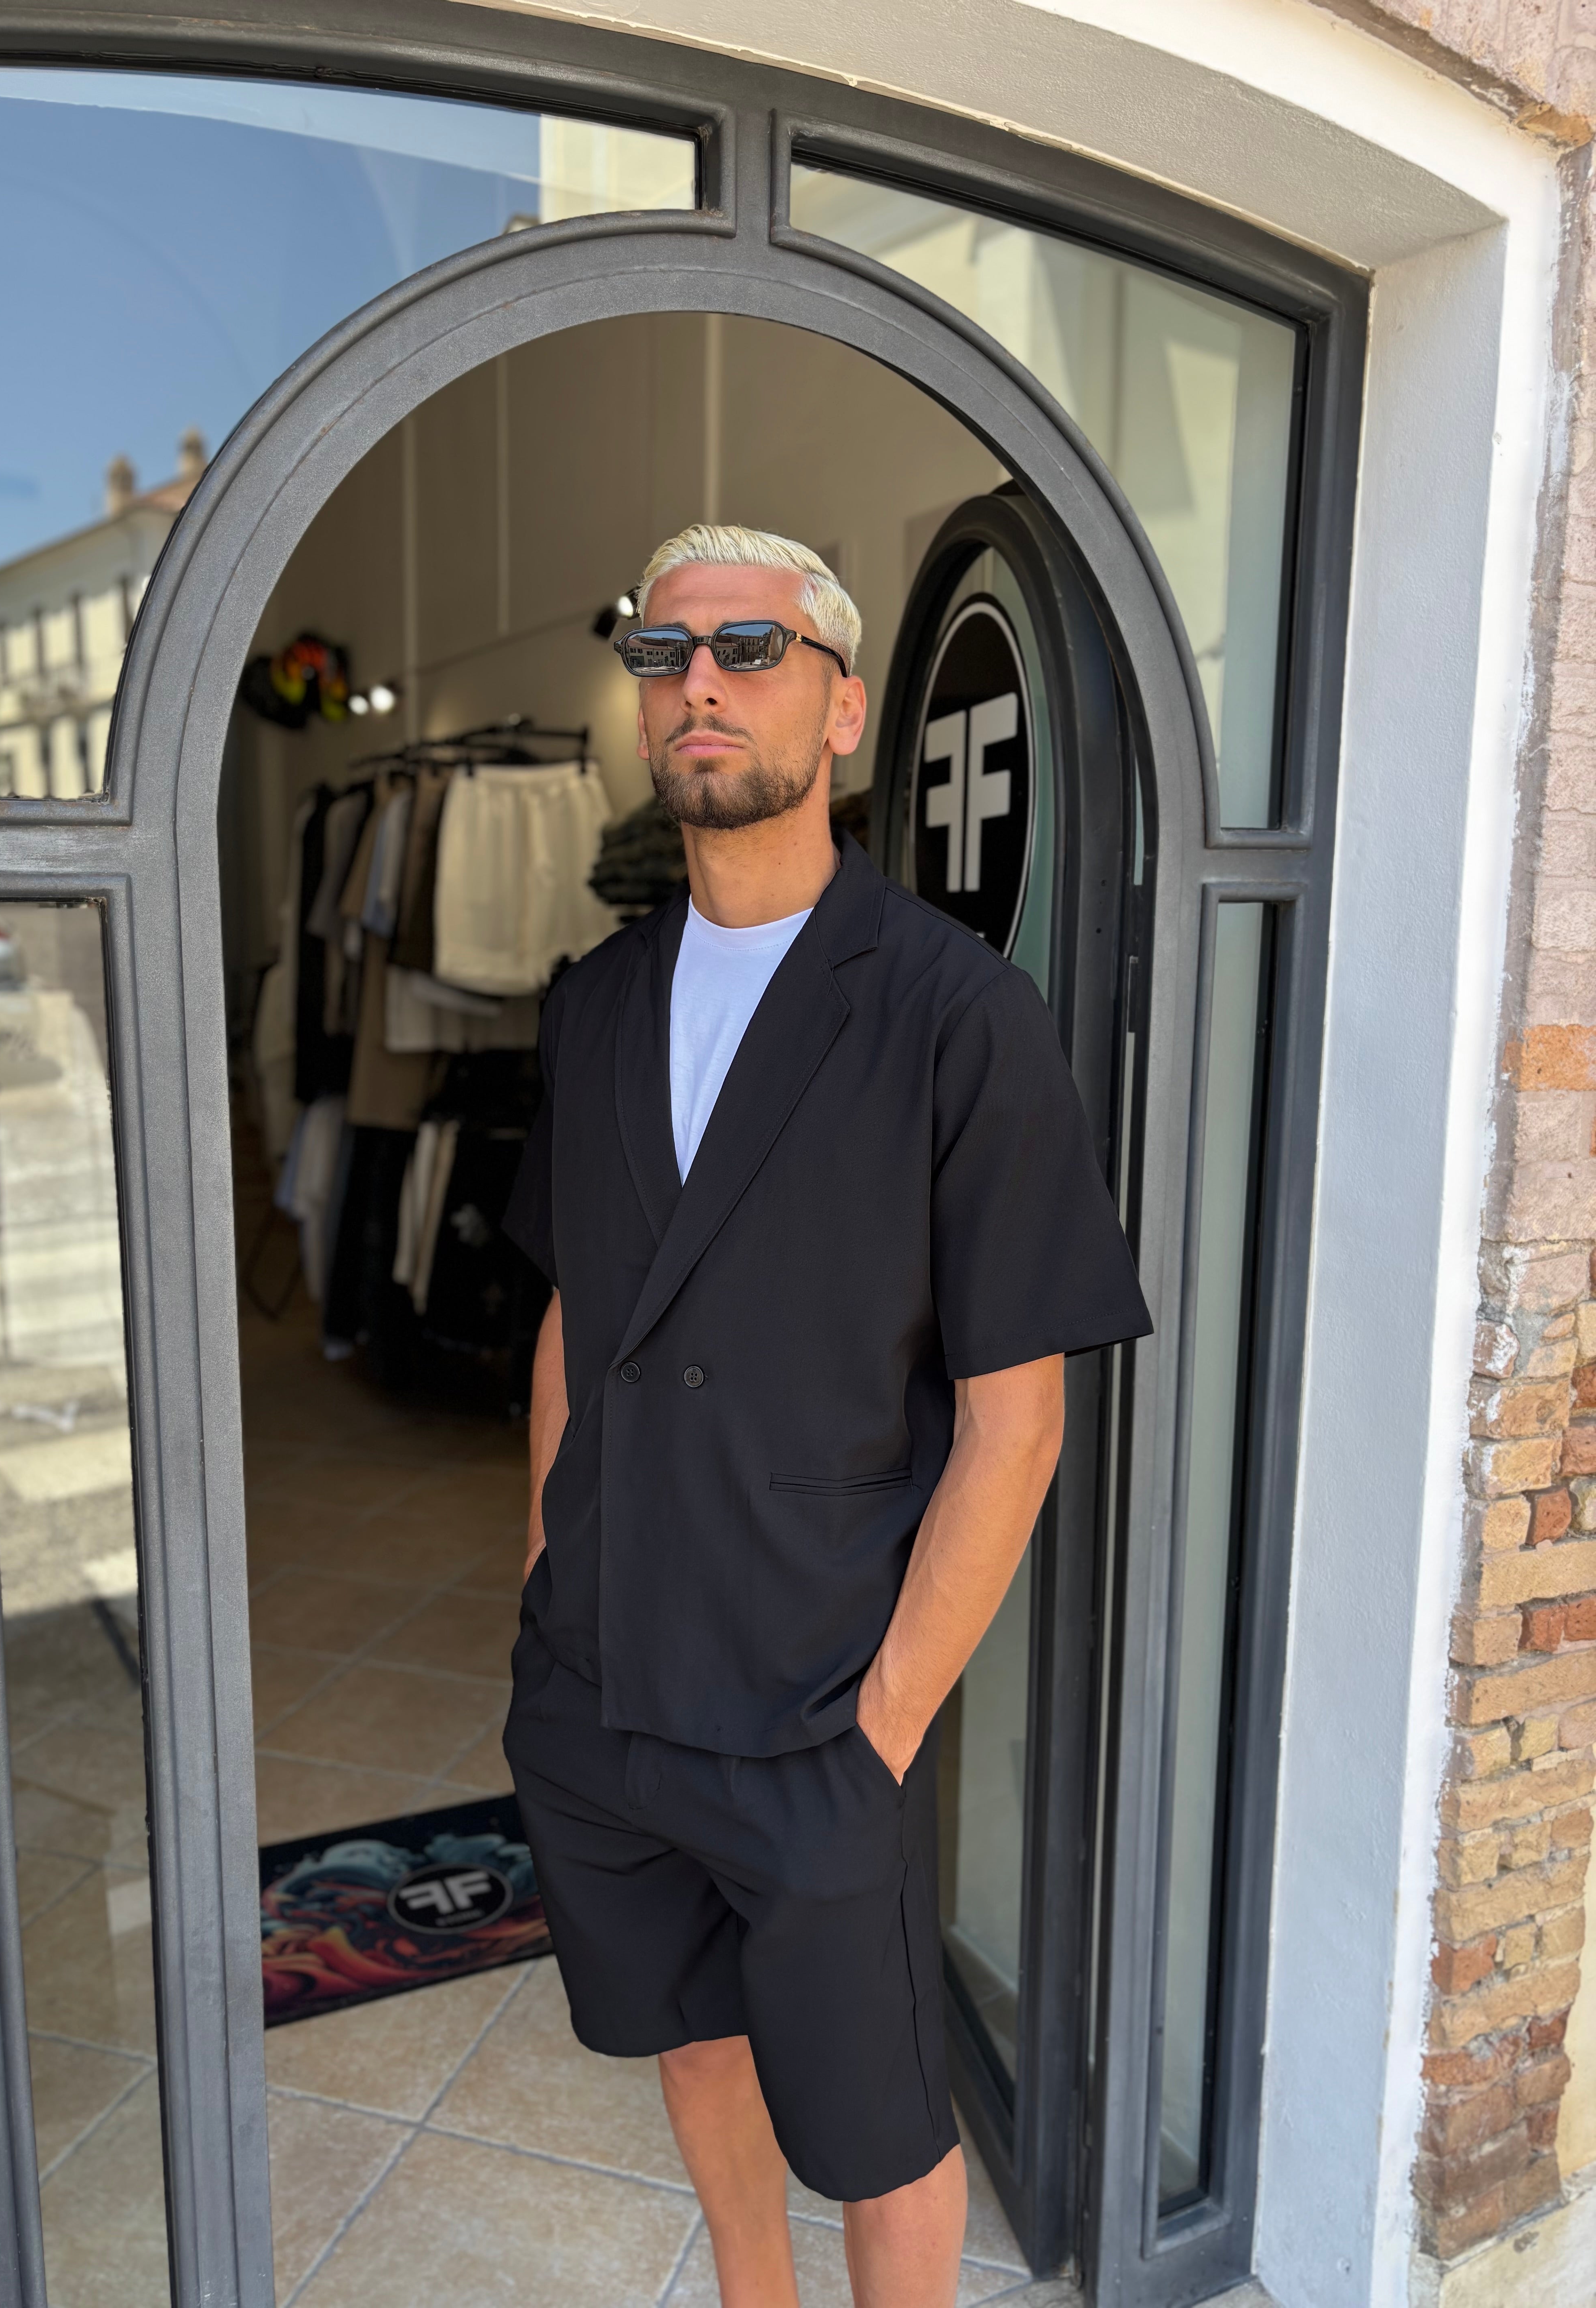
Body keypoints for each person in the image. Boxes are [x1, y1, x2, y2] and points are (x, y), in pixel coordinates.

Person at [500, 523, 1150, 2307]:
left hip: (813, 1706)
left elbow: (1017, 1420)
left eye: (749, 649)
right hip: (598, 1683)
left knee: (881, 2131)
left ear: (843, 709)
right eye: (664, 654)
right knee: (688, 2039)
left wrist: (884, 1724)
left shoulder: (956, 1014)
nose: (698, 682)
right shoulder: (598, 1002)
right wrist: (547, 1568)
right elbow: (573, 1309)